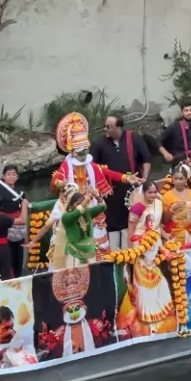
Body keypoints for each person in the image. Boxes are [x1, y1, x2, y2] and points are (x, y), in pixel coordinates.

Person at [52, 112, 140, 260]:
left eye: (86, 150)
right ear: (72, 151)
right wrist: (62, 183)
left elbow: (107, 172)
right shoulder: (66, 167)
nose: (85, 154)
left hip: (92, 205)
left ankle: (101, 264)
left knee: (98, 239)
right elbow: (55, 180)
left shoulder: (91, 165)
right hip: (73, 207)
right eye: (81, 151)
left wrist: (126, 178)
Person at [117, 180, 176, 336]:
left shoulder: (158, 203)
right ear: (143, 193)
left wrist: (163, 238)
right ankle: (147, 318)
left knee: (160, 281)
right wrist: (132, 250)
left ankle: (160, 315)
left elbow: (158, 225)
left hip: (154, 243)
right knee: (143, 283)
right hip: (140, 245)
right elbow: (131, 230)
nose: (152, 195)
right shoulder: (138, 207)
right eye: (148, 192)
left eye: (154, 192)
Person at [91, 115, 151, 252]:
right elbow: (92, 166)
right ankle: (113, 256)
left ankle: (131, 253)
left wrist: (145, 177)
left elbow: (146, 159)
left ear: (118, 127)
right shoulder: (99, 144)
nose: (105, 129)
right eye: (105, 125)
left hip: (132, 191)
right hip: (110, 194)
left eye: (109, 127)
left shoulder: (134, 138)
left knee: (132, 222)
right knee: (111, 225)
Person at [24, 183, 79, 271]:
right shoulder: (58, 206)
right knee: (56, 272)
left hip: (74, 243)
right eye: (62, 194)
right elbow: (46, 227)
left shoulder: (79, 206)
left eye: (67, 195)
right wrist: (33, 241)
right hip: (58, 243)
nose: (63, 197)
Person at [0, 164, 27, 278]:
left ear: (17, 177)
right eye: (8, 174)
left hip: (20, 224)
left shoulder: (21, 190)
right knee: (8, 251)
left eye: (13, 174)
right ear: (4, 176)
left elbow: (23, 205)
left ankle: (19, 273)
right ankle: (9, 275)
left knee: (19, 249)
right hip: (6, 225)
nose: (11, 177)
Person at [61, 190, 108, 267]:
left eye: (83, 203)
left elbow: (103, 207)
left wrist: (96, 195)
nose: (83, 205)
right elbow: (76, 213)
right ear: (70, 205)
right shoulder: (66, 217)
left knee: (92, 276)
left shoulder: (87, 212)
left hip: (90, 251)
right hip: (75, 254)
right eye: (78, 204)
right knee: (77, 277)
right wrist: (86, 200)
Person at [162, 164, 191, 244]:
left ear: (186, 180)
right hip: (174, 234)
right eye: (176, 178)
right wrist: (173, 208)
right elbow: (164, 220)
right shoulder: (167, 196)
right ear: (172, 180)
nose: (178, 181)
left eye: (181, 178)